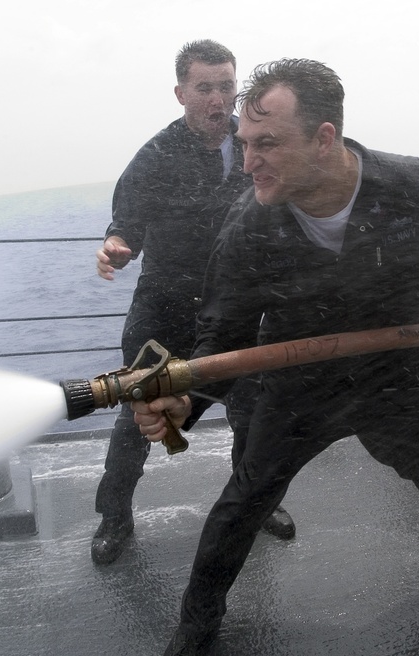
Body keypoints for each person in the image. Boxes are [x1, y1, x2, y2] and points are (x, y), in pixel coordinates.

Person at [131, 58, 419, 656]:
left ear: (324, 138)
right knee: (244, 501)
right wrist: (185, 402)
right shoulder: (249, 226)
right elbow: (225, 335)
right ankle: (199, 617)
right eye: (245, 144)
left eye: (267, 143)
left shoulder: (416, 188)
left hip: (400, 371)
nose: (247, 163)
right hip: (301, 381)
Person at [91, 40, 294, 567]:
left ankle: (257, 504)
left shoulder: (250, 144)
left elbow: (282, 199)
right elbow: (127, 223)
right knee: (139, 416)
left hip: (234, 309)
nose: (217, 99)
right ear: (181, 92)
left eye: (226, 86)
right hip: (164, 308)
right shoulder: (156, 156)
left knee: (252, 410)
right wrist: (117, 246)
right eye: (204, 87)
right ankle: (114, 518)